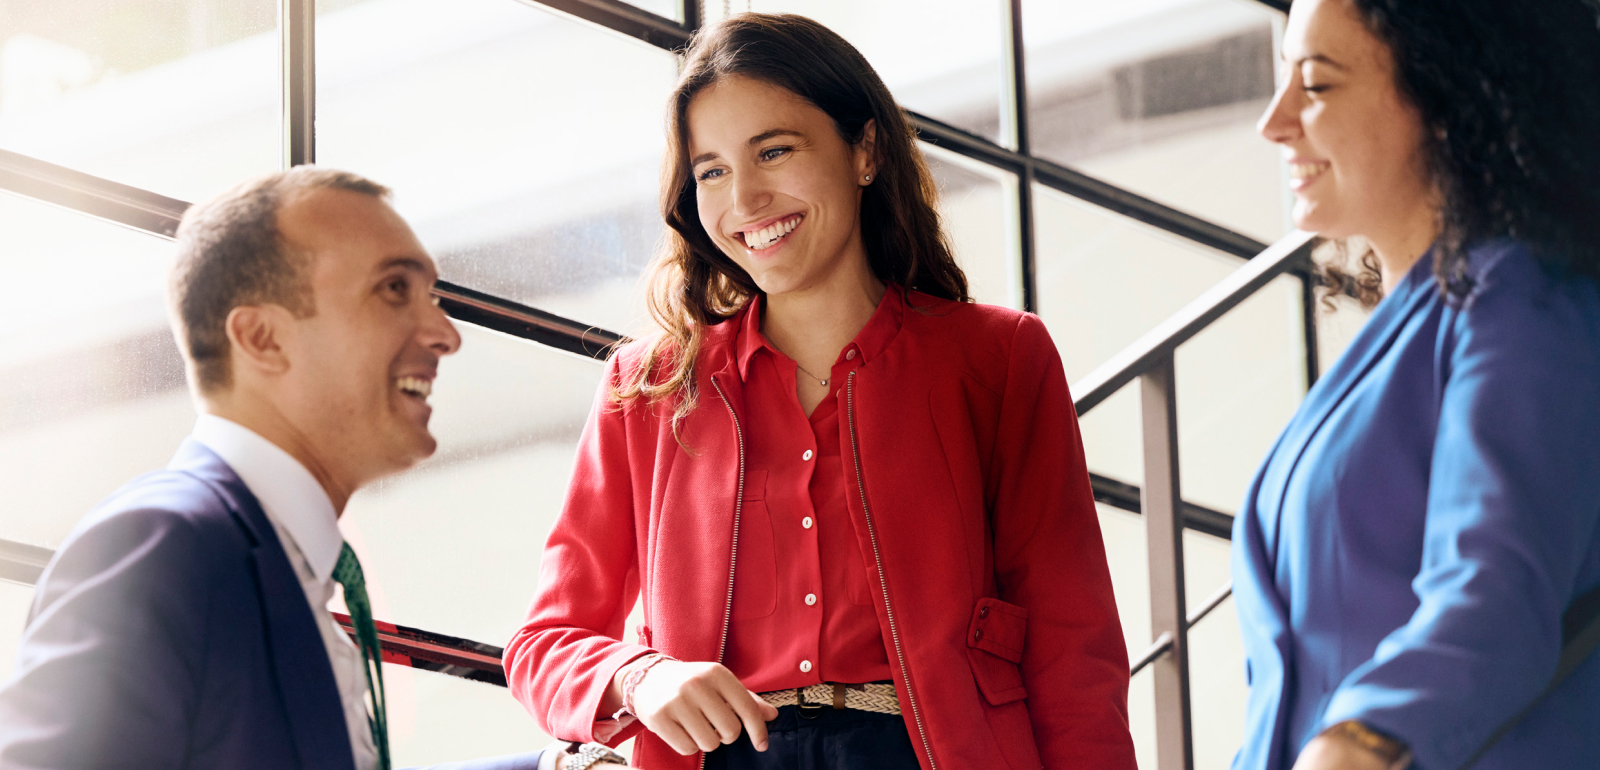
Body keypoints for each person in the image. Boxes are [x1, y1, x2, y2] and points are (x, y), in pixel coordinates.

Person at [504, 13, 1134, 770]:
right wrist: (640, 678)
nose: (745, 199)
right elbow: (543, 643)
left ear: (865, 150)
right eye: (712, 172)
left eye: (774, 151)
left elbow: (1073, 646)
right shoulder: (650, 388)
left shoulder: (998, 359)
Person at [0, 168, 608, 770]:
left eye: (432, 296)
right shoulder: (162, 546)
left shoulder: (272, 561)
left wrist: (552, 769)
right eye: (394, 288)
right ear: (262, 338)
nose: (445, 334)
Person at [1234, 0, 1600, 768]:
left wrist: (1361, 741)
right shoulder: (1417, 322)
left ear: (1442, 99)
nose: (1274, 123)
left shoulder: (1520, 305)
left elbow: (1494, 592)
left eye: (1316, 85)